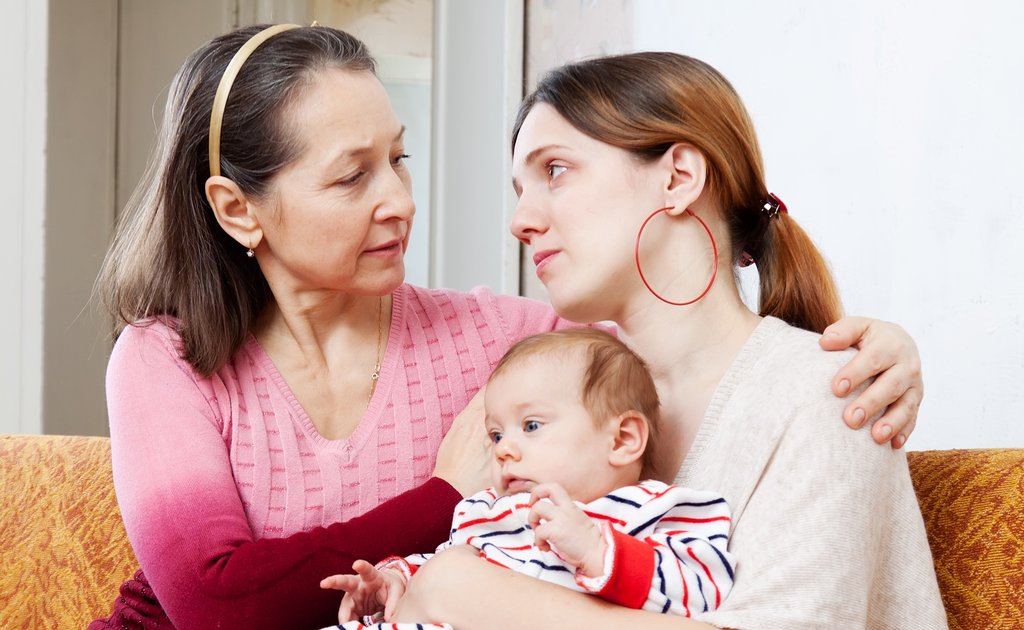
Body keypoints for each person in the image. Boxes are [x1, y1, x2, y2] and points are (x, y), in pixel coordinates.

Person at [90, 24, 926, 630]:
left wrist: (878, 352)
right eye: (351, 177)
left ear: (676, 177)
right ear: (238, 209)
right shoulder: (166, 359)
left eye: (399, 160)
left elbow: (703, 353)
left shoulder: (515, 352)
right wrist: (444, 503)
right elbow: (212, 600)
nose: (400, 201)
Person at [383, 52, 947, 629]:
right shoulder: (551, 394)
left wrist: (466, 593)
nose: (520, 221)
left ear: (677, 178)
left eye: (554, 170)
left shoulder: (833, 394)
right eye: (519, 189)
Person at [321, 328, 736, 628]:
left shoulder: (652, 509)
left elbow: (703, 589)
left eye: (532, 426)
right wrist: (393, 581)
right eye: (496, 435)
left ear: (623, 440)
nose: (503, 449)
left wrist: (596, 549)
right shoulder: (487, 511)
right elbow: (441, 565)